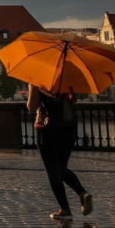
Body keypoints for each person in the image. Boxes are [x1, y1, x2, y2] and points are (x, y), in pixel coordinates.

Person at [27, 84, 92, 220]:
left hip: (47, 127)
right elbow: (73, 100)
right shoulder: (68, 77)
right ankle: (82, 193)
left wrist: (32, 87)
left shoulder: (39, 79)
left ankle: (65, 208)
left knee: (52, 170)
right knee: (61, 168)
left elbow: (32, 107)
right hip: (69, 126)